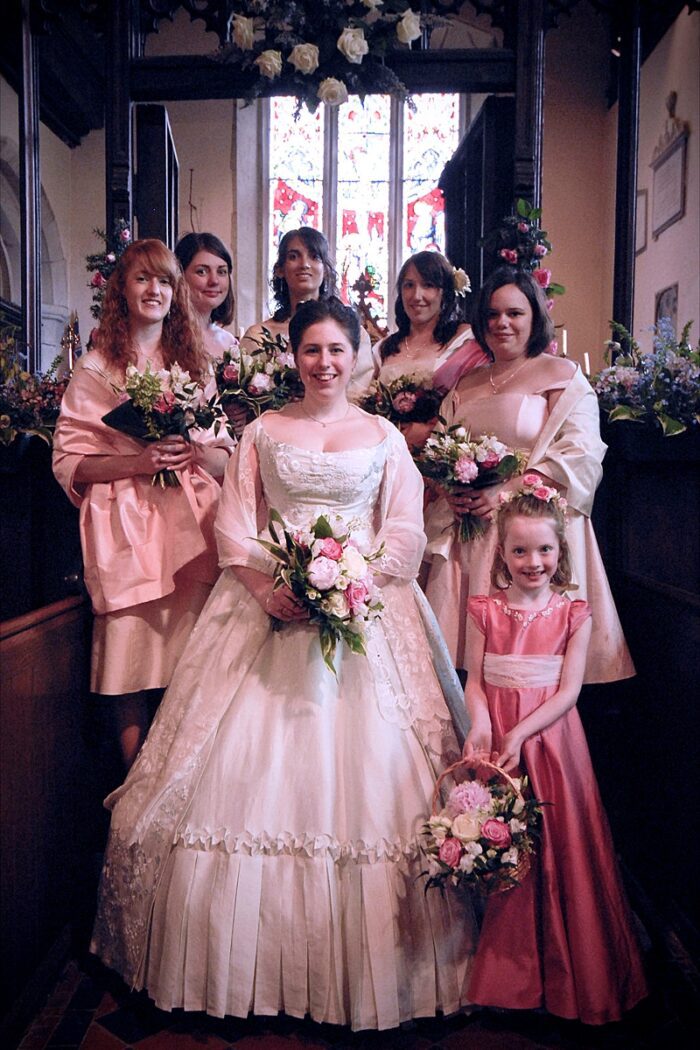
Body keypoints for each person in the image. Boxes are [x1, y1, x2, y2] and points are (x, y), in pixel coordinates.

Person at [91, 298, 476, 1031]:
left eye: (336, 350)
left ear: (357, 356)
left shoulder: (385, 438)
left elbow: (403, 532)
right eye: (311, 351)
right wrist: (270, 589)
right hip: (266, 607)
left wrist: (352, 584)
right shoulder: (262, 432)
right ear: (294, 357)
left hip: (368, 613)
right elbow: (235, 526)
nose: (324, 363)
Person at [463, 485, 647, 1024]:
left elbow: (568, 692)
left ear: (560, 551)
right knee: (500, 847)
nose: (533, 562)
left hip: (552, 741)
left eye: (544, 549)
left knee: (562, 848)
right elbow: (474, 681)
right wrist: (482, 723)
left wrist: (521, 734)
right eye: (519, 550)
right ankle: (510, 980)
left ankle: (574, 978)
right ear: (502, 553)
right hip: (496, 737)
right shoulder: (484, 610)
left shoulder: (573, 613)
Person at [53, 239, 233, 769]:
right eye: (142, 279)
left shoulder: (193, 366)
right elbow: (69, 461)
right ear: (122, 291)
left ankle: (181, 776)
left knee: (188, 655)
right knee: (130, 654)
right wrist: (138, 460)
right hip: (125, 522)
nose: (154, 290)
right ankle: (135, 784)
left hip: (189, 522)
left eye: (164, 281)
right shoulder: (95, 367)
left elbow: (225, 454)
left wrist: (192, 450)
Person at [424, 265, 634, 683]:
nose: (502, 323)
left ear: (535, 317)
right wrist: (449, 487)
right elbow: (439, 447)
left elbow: (580, 453)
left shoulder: (562, 375)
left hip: (534, 525)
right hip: (470, 532)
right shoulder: (466, 383)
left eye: (514, 313)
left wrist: (507, 490)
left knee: (532, 661)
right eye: (492, 314)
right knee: (464, 660)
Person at [241, 226, 375, 403]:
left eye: (314, 256)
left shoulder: (351, 331)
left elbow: (360, 394)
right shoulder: (258, 336)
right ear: (280, 269)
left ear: (326, 269)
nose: (304, 264)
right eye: (293, 257)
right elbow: (248, 398)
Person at [374, 251, 488, 450]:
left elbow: (475, 402)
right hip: (387, 448)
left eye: (428, 285)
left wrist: (431, 430)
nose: (416, 296)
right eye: (409, 285)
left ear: (445, 292)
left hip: (442, 450)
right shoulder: (384, 347)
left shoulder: (465, 340)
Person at [174, 232, 237, 358]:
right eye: (202, 271)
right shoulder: (162, 338)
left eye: (221, 272)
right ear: (180, 275)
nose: (214, 281)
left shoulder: (230, 343)